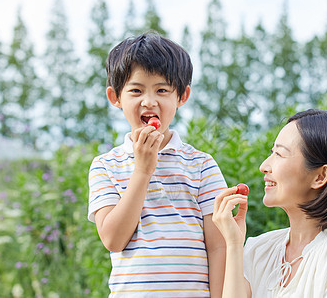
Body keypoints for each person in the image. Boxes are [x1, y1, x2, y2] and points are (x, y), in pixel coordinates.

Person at [88, 32, 227, 297]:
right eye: (136, 90)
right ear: (115, 97)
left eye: (162, 90)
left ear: (182, 96)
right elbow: (113, 239)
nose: (149, 101)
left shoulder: (202, 165)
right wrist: (142, 171)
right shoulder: (105, 166)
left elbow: (218, 246)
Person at [213, 109, 327, 298]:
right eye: (271, 152)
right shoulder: (258, 250)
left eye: (279, 154)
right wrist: (234, 244)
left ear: (320, 176)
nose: (264, 166)